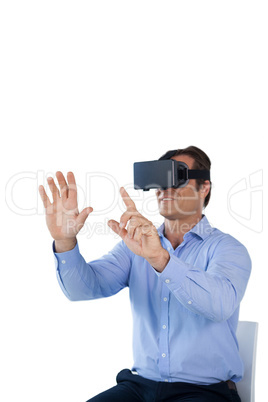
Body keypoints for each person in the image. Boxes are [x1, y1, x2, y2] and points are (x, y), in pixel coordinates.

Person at [39, 146, 251, 402]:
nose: (165, 189)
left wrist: (161, 259)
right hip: (140, 387)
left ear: (204, 187)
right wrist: (65, 242)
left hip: (203, 391)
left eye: (177, 177)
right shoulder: (135, 245)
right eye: (160, 180)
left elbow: (219, 305)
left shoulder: (228, 249)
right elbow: (81, 290)